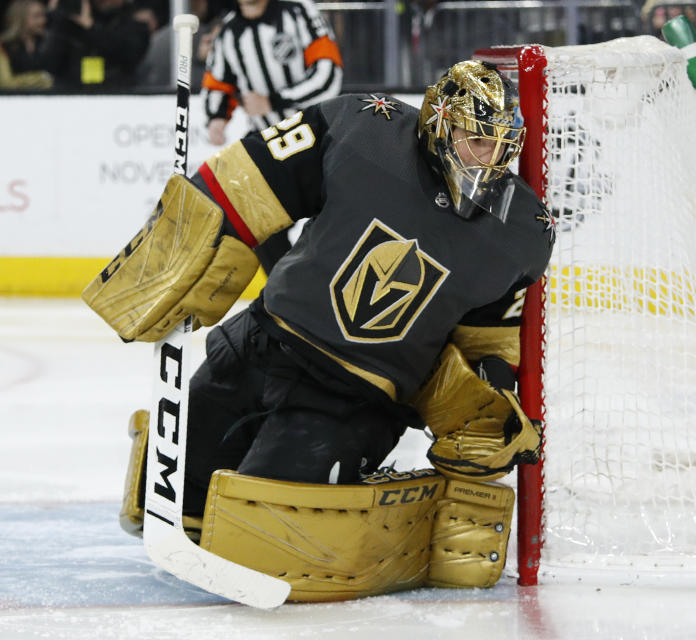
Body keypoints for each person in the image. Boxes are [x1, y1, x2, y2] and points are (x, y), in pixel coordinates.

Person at [83, 60, 554, 601]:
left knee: (263, 541)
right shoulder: (364, 127)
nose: (488, 158)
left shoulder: (520, 232)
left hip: (354, 398)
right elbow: (246, 179)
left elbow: (486, 343)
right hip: (262, 345)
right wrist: (187, 245)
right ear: (438, 122)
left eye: (500, 144)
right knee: (162, 504)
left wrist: (488, 397)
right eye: (476, 141)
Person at [200, 0, 344, 273]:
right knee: (258, 224)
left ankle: (323, 290)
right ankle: (288, 296)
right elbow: (217, 83)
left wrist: (275, 101)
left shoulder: (300, 12)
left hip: (316, 137)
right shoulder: (229, 31)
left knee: (333, 221)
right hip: (269, 144)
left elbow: (329, 75)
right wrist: (216, 117)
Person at [43, 0, 150, 88]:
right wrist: (57, 19)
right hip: (72, 97)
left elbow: (130, 54)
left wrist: (91, 28)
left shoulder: (135, 23)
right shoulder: (70, 24)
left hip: (116, 95)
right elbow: (50, 64)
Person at [0, 0, 53, 85]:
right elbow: (5, 83)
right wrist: (40, 78)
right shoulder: (4, 47)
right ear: (21, 18)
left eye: (43, 16)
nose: (43, 21)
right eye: (37, 16)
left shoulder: (47, 44)